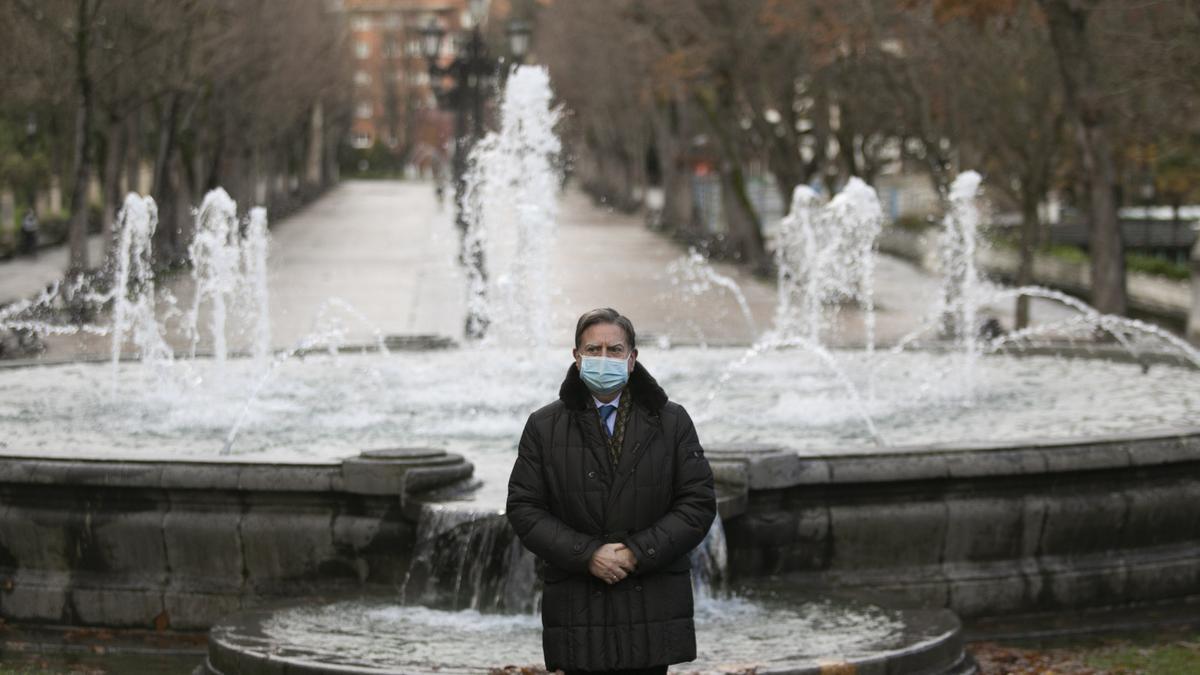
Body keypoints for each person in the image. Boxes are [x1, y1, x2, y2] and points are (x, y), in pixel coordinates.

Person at [506, 308, 716, 674]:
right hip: (578, 606)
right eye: (593, 349)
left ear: (632, 359)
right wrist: (588, 554)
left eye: (615, 350)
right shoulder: (544, 426)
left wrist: (637, 552)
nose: (604, 359)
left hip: (650, 603)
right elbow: (524, 508)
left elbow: (697, 504)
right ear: (576, 357)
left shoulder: (672, 421)